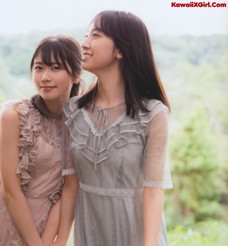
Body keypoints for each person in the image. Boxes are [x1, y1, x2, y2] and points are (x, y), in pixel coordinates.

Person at [55, 10, 173, 246]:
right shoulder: (72, 111)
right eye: (86, 35)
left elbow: (153, 191)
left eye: (95, 36)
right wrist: (58, 242)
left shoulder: (153, 114)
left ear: (120, 50)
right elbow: (71, 185)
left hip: (137, 234)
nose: (84, 44)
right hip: (90, 232)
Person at [0, 35, 82, 246]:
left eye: (55, 68)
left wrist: (54, 239)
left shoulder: (81, 123)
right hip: (1, 217)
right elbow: (10, 189)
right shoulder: (15, 115)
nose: (45, 77)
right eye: (39, 68)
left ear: (76, 75)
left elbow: (67, 191)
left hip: (44, 225)